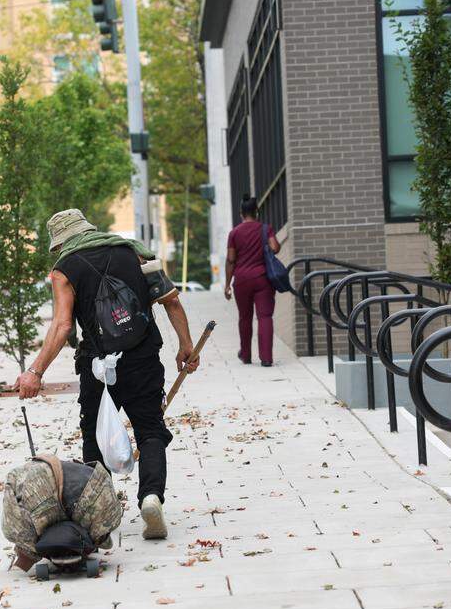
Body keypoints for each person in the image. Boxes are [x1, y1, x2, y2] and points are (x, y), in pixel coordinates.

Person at [16, 209, 199, 540]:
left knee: (94, 437)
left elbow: (62, 326)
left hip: (99, 365)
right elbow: (171, 301)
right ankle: (151, 498)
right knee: (151, 429)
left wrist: (35, 371)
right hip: (143, 355)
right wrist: (186, 346)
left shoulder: (63, 270)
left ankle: (99, 516)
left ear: (61, 241)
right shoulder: (133, 251)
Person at [223, 195, 280, 367]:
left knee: (245, 318)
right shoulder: (265, 229)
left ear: (241, 213)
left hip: (242, 281)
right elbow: (275, 247)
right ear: (256, 212)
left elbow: (231, 259)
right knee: (265, 317)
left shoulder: (234, 233)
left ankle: (246, 355)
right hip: (263, 279)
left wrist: (227, 285)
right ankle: (266, 358)